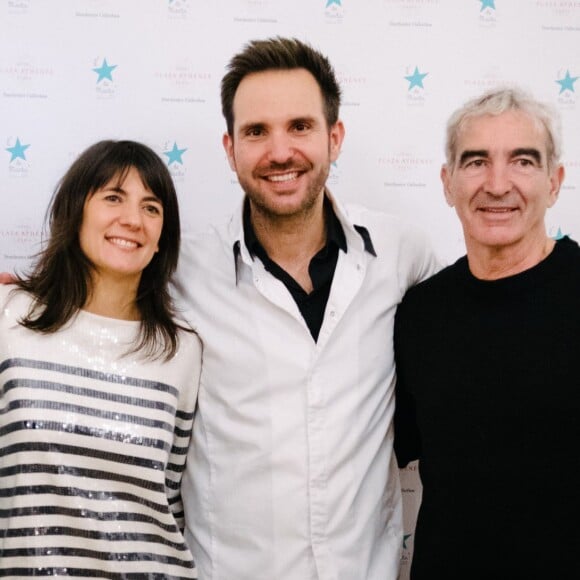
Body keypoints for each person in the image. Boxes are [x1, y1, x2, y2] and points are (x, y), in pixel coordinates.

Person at [175, 37, 439, 579]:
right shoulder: (180, 272)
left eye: (300, 126)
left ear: (334, 137)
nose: (279, 152)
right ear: (229, 148)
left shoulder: (403, 254)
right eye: (256, 131)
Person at [394, 87, 580, 578]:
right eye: (476, 162)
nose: (497, 184)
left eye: (522, 161)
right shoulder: (419, 313)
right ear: (448, 182)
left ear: (554, 182)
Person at [0, 140, 201, 577]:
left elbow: (170, 497)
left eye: (151, 207)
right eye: (113, 197)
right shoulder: (9, 314)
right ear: (76, 211)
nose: (132, 219)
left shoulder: (182, 349)